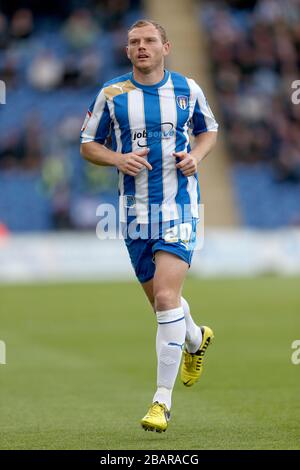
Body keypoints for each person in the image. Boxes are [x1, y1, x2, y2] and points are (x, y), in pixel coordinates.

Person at [80, 19, 218, 433]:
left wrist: (197, 156)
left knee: (165, 295)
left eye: (149, 41)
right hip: (134, 214)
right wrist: (118, 159)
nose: (141, 47)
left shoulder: (188, 89)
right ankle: (196, 338)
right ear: (127, 51)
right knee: (163, 305)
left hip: (180, 208)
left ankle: (161, 402)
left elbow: (209, 130)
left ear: (166, 47)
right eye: (134, 42)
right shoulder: (112, 94)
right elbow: (88, 144)